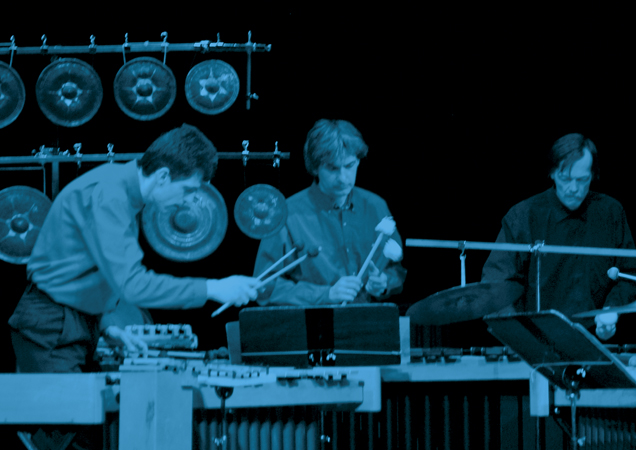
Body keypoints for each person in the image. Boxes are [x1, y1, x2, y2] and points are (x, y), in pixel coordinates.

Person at [8, 124, 259, 374]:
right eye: (187, 190)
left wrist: (107, 326)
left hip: (76, 319)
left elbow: (90, 272)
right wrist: (213, 288)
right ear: (162, 176)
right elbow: (132, 285)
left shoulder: (122, 191)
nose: (186, 201)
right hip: (53, 325)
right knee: (69, 402)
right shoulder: (110, 195)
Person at [481, 133, 636, 341]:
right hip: (537, 340)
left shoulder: (611, 213)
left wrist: (610, 311)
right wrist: (521, 336)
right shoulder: (523, 216)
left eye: (582, 180)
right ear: (552, 173)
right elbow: (496, 284)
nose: (573, 189)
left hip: (595, 340)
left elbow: (629, 276)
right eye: (565, 178)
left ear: (593, 175)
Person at [254, 119, 406, 305]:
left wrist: (384, 282)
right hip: (313, 321)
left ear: (358, 161)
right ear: (315, 167)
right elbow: (264, 287)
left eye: (349, 165)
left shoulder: (376, 206)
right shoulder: (287, 214)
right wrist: (326, 294)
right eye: (332, 168)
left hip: (368, 318)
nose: (343, 178)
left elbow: (397, 270)